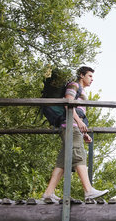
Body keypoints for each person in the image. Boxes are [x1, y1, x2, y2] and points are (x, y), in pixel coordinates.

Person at [42, 66, 108, 201]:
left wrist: (83, 132)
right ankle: (88, 190)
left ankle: (48, 193)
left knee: (62, 162)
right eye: (89, 76)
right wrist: (78, 122)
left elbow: (77, 110)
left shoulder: (81, 90)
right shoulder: (74, 85)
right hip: (70, 125)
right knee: (79, 155)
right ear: (81, 75)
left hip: (72, 126)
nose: (92, 79)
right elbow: (68, 103)